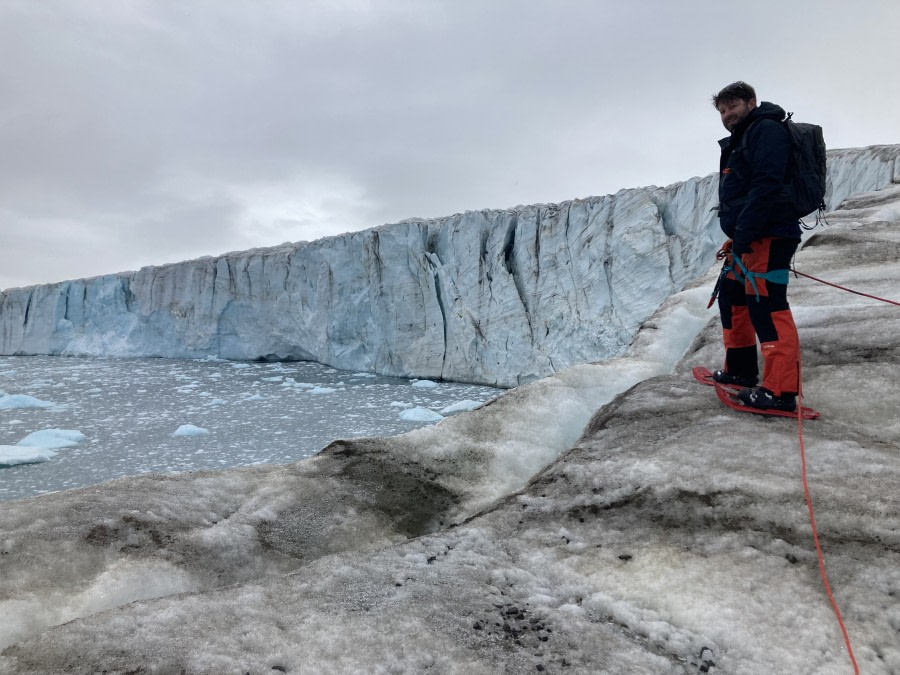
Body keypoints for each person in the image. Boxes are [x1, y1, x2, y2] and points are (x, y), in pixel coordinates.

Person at [710, 81, 802, 412]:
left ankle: (780, 392)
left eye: (732, 106)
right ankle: (741, 370)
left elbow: (767, 183)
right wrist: (739, 234)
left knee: (768, 307)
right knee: (733, 298)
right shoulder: (744, 138)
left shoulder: (766, 131)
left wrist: (747, 231)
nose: (726, 114)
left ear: (751, 102)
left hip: (769, 234)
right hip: (750, 235)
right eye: (721, 110)